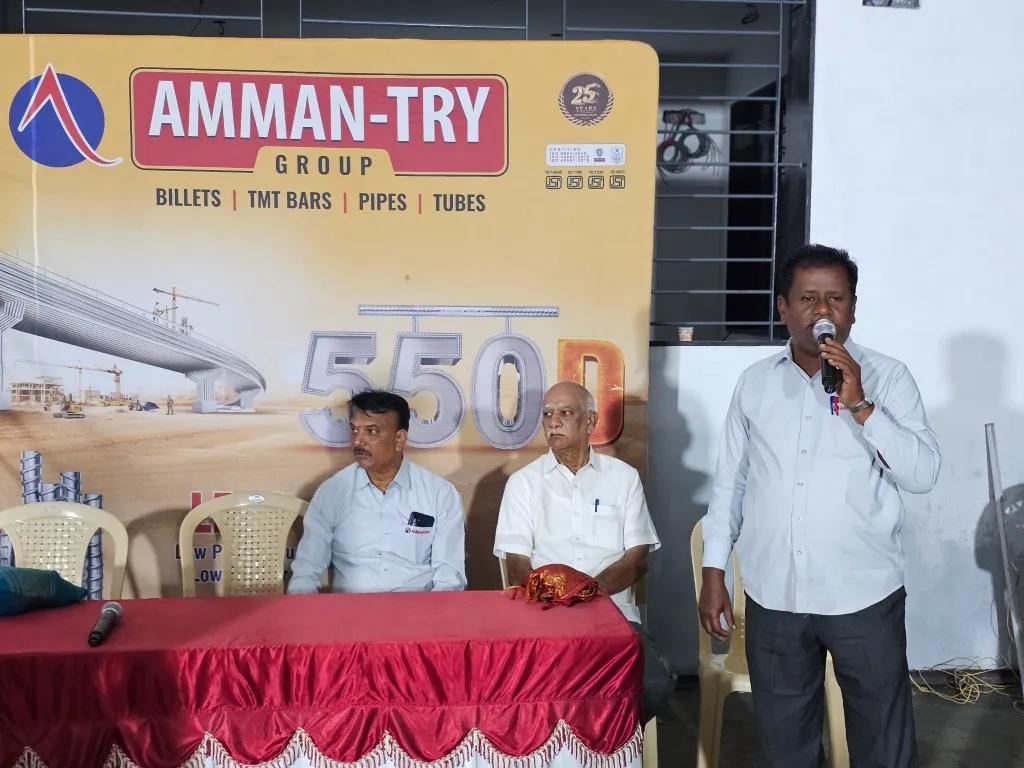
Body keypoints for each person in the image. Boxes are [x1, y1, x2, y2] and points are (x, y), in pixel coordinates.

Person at [699, 244, 941, 768]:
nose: (823, 311)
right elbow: (731, 484)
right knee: (786, 744)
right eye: (808, 299)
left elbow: (922, 474)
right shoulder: (755, 384)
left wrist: (861, 405)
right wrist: (714, 570)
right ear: (783, 307)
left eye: (836, 298)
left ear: (853, 308)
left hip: (863, 595)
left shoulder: (889, 377)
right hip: (774, 595)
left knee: (883, 743)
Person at [493, 381, 675, 723]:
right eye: (547, 414)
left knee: (652, 683)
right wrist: (559, 600)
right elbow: (517, 563)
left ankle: (604, 742)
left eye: (565, 413)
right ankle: (569, 745)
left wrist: (589, 595)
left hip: (615, 615)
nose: (553, 422)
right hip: (546, 616)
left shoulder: (623, 478)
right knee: (530, 690)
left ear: (590, 421)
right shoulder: (523, 483)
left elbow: (637, 559)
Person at [288, 390, 467, 595]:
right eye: (355, 431)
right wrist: (304, 611)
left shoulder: (439, 494)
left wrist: (431, 614)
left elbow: (449, 577)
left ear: (399, 439)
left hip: (418, 608)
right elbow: (306, 571)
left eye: (371, 431)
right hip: (351, 609)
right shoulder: (332, 492)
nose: (358, 441)